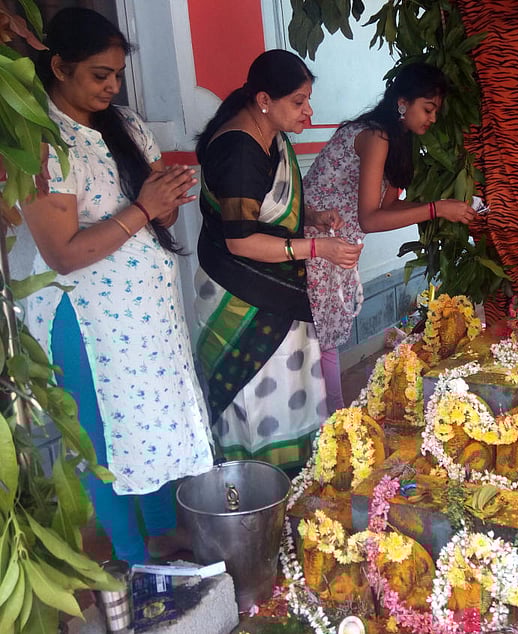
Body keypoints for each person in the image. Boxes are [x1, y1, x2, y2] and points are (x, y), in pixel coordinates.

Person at [23, 8, 213, 564]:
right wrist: (143, 208)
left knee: (152, 417)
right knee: (104, 436)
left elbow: (157, 219)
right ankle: (132, 557)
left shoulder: (124, 124)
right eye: (99, 74)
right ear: (58, 66)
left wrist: (166, 203)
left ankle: (162, 532)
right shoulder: (43, 141)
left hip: (145, 317)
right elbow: (62, 253)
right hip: (85, 320)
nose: (112, 86)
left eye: (117, 75)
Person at [193, 49, 362, 470]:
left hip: (275, 290)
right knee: (257, 398)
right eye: (299, 102)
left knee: (291, 395)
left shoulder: (272, 136)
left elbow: (268, 207)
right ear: (264, 100)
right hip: (240, 296)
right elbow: (241, 240)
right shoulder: (239, 149)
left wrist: (313, 217)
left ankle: (293, 486)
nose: (309, 111)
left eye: (308, 100)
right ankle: (256, 491)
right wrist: (318, 248)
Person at [303, 62, 476, 413]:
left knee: (325, 344)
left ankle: (334, 427)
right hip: (317, 244)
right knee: (323, 346)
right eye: (427, 109)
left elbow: (388, 208)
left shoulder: (395, 141)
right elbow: (370, 219)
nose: (431, 119)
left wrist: (444, 206)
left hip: (337, 250)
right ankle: (336, 427)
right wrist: (437, 209)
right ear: (402, 102)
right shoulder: (376, 136)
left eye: (435, 112)